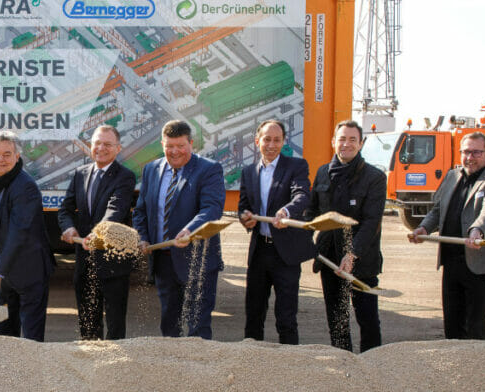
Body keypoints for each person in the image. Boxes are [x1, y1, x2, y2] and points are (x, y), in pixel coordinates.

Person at [409, 131, 485, 340]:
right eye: (465, 152)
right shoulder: (452, 176)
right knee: (452, 326)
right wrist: (424, 229)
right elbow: (438, 210)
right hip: (451, 262)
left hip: (481, 265)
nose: (469, 157)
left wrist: (477, 230)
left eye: (476, 152)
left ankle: (478, 369)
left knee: (475, 327)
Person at [132, 120, 223, 339]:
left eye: (181, 146)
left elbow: (211, 209)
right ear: (162, 145)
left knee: (198, 328)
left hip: (197, 259)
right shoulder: (152, 170)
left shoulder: (209, 169)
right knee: (169, 324)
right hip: (164, 261)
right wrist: (142, 238)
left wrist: (189, 230)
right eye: (169, 146)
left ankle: (198, 372)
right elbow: (141, 211)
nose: (175, 152)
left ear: (191, 143)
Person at [307, 120, 386, 352]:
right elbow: (312, 211)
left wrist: (352, 254)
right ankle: (343, 362)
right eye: (342, 139)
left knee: (367, 318)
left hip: (361, 260)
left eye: (353, 139)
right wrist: (296, 221)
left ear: (361, 143)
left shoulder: (374, 177)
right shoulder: (323, 172)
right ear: (334, 142)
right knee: (337, 319)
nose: (346, 144)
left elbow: (372, 222)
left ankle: (373, 364)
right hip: (330, 259)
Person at [0, 130, 55, 341]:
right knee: (5, 334)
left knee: (30, 337)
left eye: (7, 154)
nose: (0, 159)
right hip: (5, 266)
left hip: (30, 269)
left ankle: (32, 373)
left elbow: (19, 234)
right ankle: (8, 373)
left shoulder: (25, 186)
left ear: (17, 157)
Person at [238, 119, 315, 345]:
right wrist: (246, 219)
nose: (271, 145)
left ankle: (290, 364)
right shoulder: (249, 172)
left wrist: (287, 211)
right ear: (257, 141)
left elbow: (302, 195)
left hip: (285, 254)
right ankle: (252, 361)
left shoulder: (296, 167)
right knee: (253, 314)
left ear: (283, 142)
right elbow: (243, 206)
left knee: (286, 316)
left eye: (277, 140)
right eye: (267, 139)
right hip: (260, 251)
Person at [58, 125, 137, 340]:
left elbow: (116, 209)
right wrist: (68, 227)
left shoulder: (125, 177)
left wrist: (98, 232)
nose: (101, 148)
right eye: (97, 143)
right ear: (90, 146)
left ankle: (115, 367)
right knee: (88, 322)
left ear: (118, 148)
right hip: (85, 262)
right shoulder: (80, 174)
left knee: (114, 324)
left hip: (113, 262)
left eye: (107, 144)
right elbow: (66, 208)